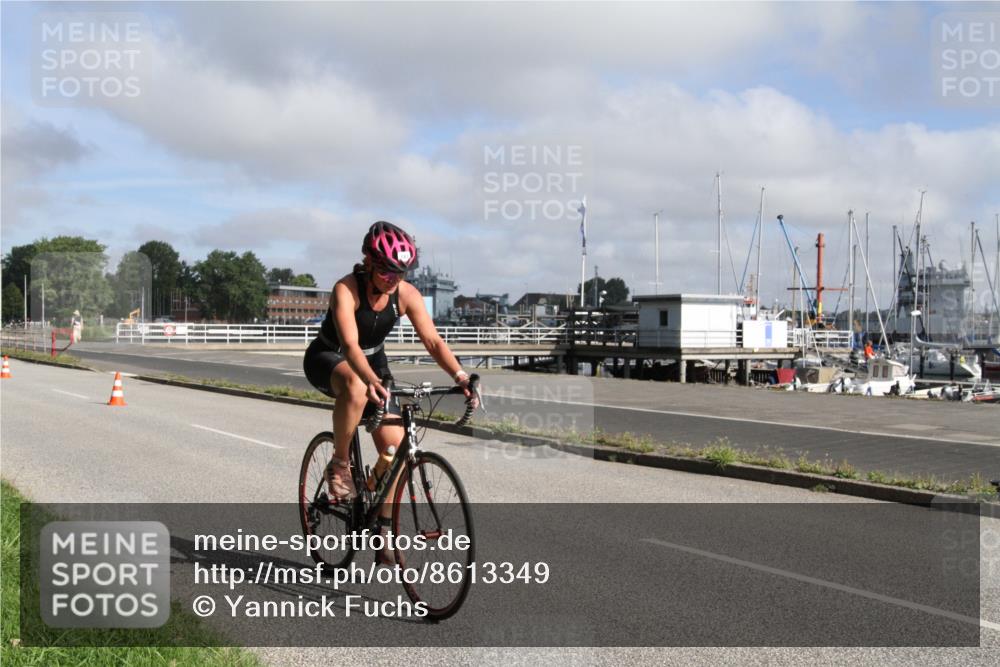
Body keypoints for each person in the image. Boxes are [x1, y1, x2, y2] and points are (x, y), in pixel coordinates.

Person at [303, 221, 477, 529]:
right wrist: (370, 381)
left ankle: (382, 525)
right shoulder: (346, 290)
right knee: (356, 386)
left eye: (401, 273)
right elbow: (351, 345)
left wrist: (460, 376)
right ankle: (340, 464)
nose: (393, 280)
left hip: (374, 363)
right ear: (368, 262)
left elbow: (434, 342)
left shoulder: (405, 294)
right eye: (385, 272)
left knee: (396, 453)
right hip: (329, 357)